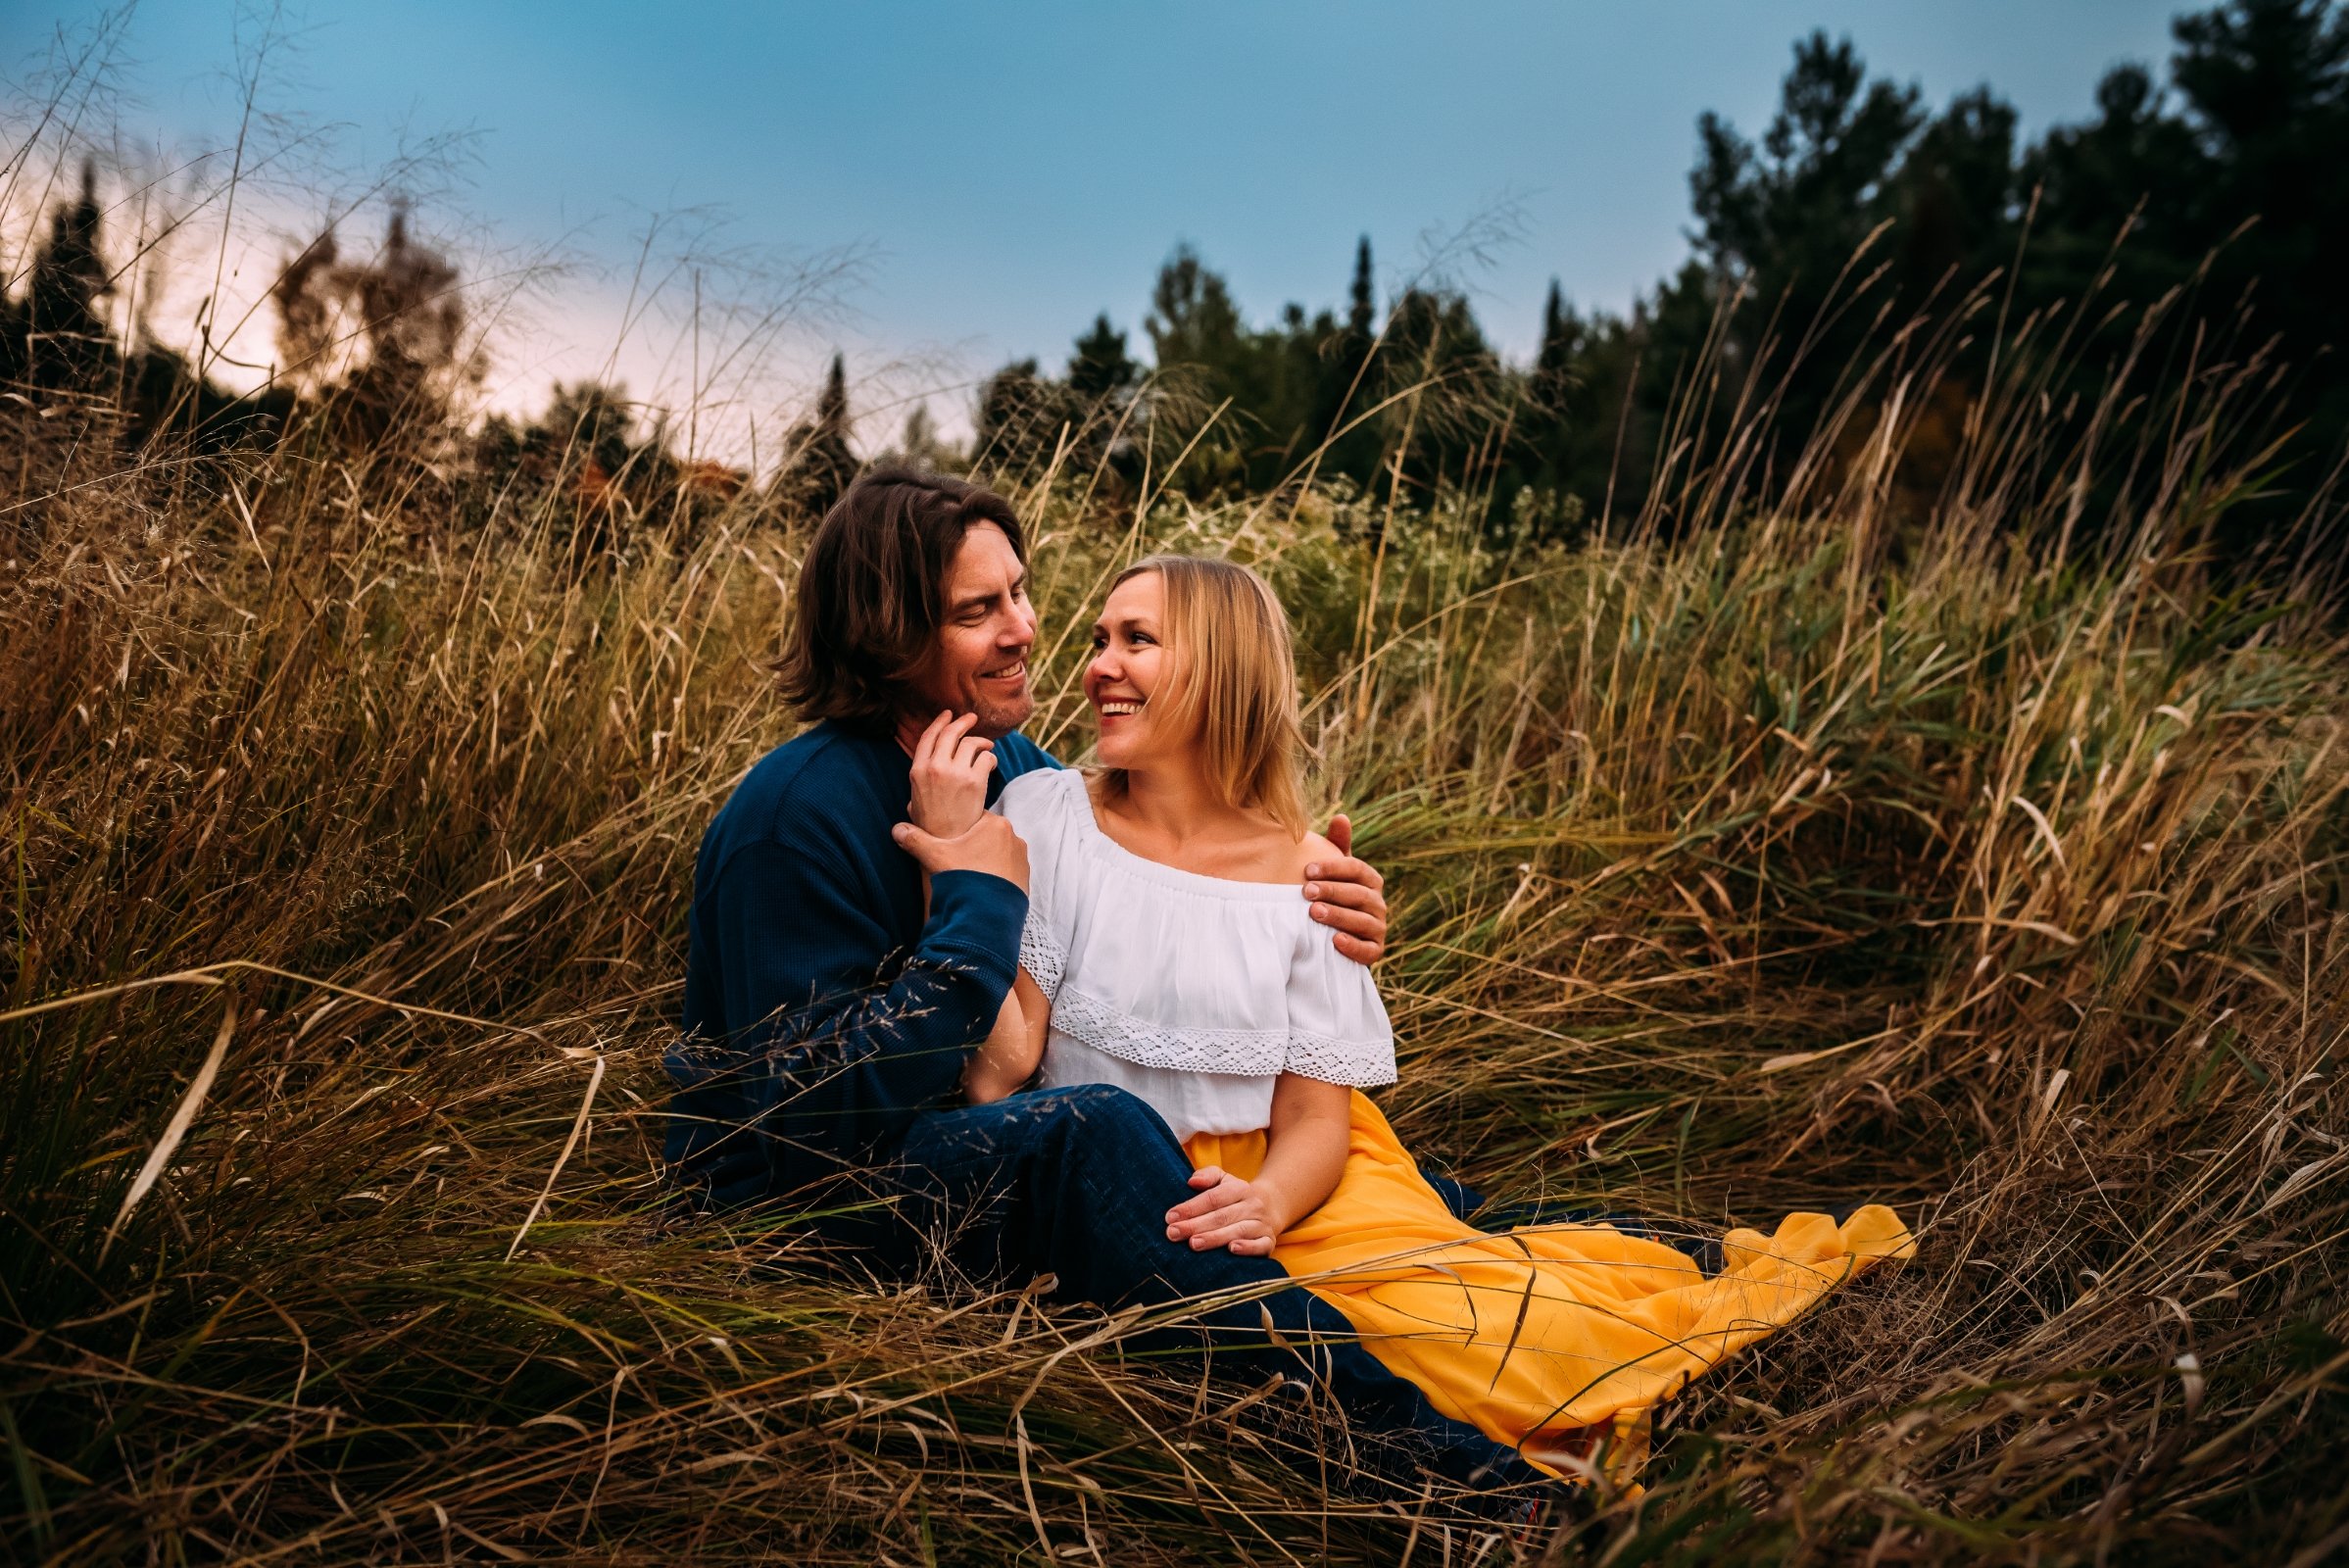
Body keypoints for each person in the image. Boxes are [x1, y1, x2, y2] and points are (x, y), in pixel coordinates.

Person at [666, 468, 1547, 1494]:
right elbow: (807, 1118)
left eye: (1021, 593)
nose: (1025, 631)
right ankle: (1455, 1479)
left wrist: (1323, 892)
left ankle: (1609, 1254)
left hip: (949, 1145)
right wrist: (972, 901)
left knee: (1395, 1184)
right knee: (1091, 1131)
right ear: (887, 636)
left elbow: (1155, 857)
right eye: (976, 612)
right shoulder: (793, 817)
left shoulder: (1019, 766)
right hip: (803, 1211)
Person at [953, 553, 1916, 1481]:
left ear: (1222, 667)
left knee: (1481, 1330)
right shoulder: (1047, 815)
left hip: (1298, 1186)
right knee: (1415, 1350)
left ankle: (1678, 1353)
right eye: (1098, 637)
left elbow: (1320, 1118)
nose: (1100, 666)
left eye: (1138, 639)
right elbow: (1000, 1070)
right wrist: (960, 868)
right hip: (1133, 1186)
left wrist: (1272, 1203)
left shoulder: (1310, 878)